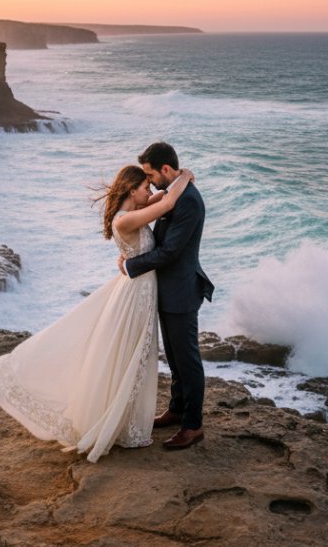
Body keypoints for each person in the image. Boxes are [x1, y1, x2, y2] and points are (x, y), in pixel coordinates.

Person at [0, 163, 194, 462]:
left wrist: (167, 184)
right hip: (136, 294)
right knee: (130, 356)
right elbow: (169, 202)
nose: (150, 191)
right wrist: (185, 176)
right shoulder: (125, 221)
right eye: (145, 187)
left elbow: (159, 198)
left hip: (140, 290)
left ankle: (126, 422)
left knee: (136, 355)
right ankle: (119, 425)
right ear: (131, 190)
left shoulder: (130, 212)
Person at [121, 142, 214, 450]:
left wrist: (131, 265)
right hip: (165, 291)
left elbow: (171, 251)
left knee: (187, 360)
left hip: (182, 291)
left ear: (165, 169)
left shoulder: (187, 201)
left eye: (150, 174)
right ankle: (177, 409)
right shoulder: (173, 195)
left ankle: (193, 425)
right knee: (174, 358)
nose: (148, 182)